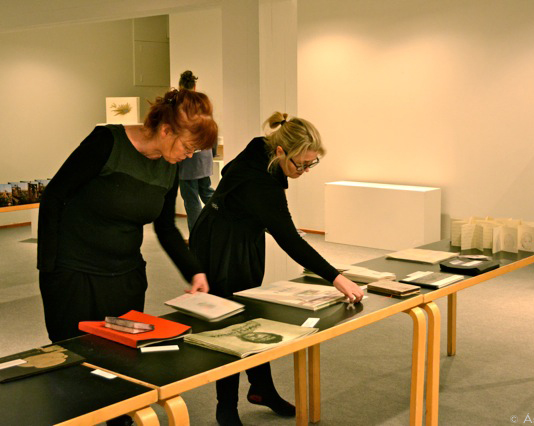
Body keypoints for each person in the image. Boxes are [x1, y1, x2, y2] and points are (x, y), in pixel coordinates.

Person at [189, 111, 364, 426]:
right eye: (301, 164)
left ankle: (261, 389)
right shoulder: (260, 182)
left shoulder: (262, 147)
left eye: (311, 163)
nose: (305, 171)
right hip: (221, 247)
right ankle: (225, 407)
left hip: (242, 238)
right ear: (281, 151)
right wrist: (337, 278)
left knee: (252, 316)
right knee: (230, 325)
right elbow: (289, 240)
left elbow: (260, 211)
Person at [37, 88, 218, 345]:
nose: (188, 156)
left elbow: (165, 227)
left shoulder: (169, 167)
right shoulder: (107, 142)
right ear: (166, 130)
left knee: (120, 357)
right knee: (75, 354)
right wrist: (49, 268)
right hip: (76, 275)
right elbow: (54, 196)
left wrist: (194, 271)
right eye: (188, 147)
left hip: (125, 278)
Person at [177, 70, 217, 231]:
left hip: (187, 158)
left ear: (180, 86)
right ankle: (221, 223)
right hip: (205, 155)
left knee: (191, 200)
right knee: (207, 193)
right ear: (194, 86)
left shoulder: (180, 105)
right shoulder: (203, 103)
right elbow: (212, 128)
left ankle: (196, 235)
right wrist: (212, 152)